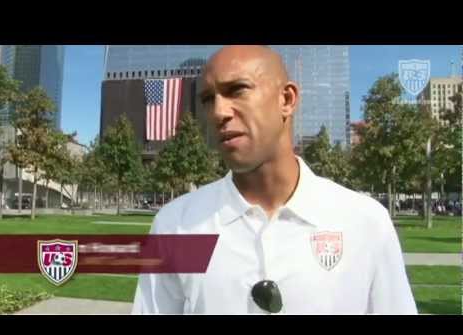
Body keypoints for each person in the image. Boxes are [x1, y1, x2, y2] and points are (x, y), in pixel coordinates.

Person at [132, 45, 417, 315]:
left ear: (287, 99)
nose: (219, 112)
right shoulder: (177, 225)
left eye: (237, 90)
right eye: (208, 99)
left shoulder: (364, 222)